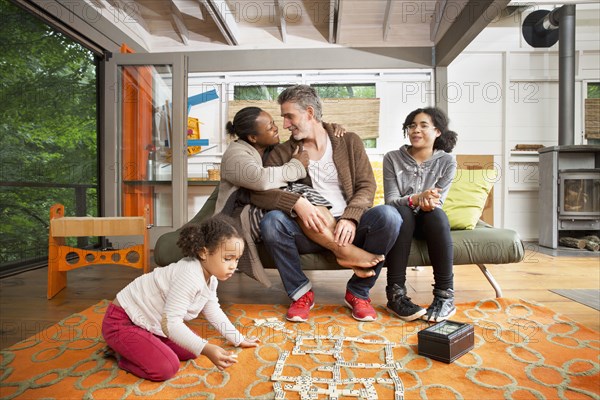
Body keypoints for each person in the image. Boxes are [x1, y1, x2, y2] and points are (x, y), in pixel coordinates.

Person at [249, 85, 402, 323]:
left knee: (390, 216)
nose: (286, 124)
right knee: (272, 222)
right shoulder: (282, 152)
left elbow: (366, 186)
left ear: (309, 113)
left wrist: (351, 217)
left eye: (289, 116)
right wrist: (297, 203)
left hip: (349, 227)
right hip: (306, 230)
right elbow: (259, 193)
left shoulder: (349, 141)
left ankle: (358, 292)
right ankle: (301, 292)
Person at [215, 106, 383, 286]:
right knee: (299, 193)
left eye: (274, 122)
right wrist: (296, 167)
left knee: (303, 193)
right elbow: (260, 181)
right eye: (270, 127)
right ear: (253, 137)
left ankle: (346, 256)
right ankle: (344, 251)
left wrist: (329, 129)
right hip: (239, 219)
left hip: (259, 209)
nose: (278, 127)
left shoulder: (270, 149)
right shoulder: (235, 155)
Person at [102, 214, 259, 381]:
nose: (233, 266)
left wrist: (237, 338)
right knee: (167, 367)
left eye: (237, 259)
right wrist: (206, 348)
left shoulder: (210, 278)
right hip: (122, 322)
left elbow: (212, 309)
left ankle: (144, 342)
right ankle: (121, 354)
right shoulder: (189, 275)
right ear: (203, 252)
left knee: (191, 349)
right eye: (228, 258)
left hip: (150, 321)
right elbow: (171, 323)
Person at [383, 107, 458, 323]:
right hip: (401, 220)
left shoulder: (447, 161)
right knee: (403, 213)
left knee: (437, 216)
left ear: (437, 132)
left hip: (428, 219)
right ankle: (396, 295)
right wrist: (416, 199)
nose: (416, 130)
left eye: (423, 125)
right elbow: (391, 200)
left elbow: (438, 201)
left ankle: (445, 297)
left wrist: (428, 203)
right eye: (412, 126)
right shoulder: (393, 158)